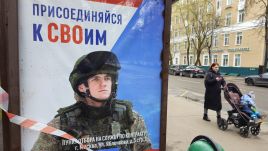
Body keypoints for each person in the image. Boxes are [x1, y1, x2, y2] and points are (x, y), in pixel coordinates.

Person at [32, 51, 151, 151]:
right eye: (96, 79)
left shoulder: (131, 119)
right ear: (82, 87)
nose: (103, 83)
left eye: (107, 78)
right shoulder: (61, 125)